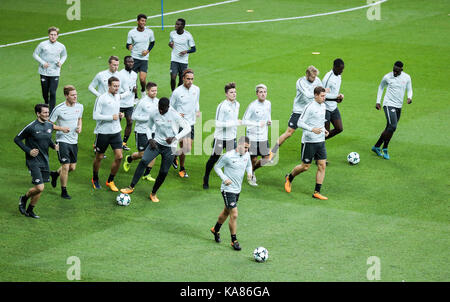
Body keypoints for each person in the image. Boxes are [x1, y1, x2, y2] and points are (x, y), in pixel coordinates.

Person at [120, 98, 190, 202]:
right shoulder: (154, 113)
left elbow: (187, 128)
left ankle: (153, 193)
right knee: (144, 160)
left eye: (163, 109)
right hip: (156, 143)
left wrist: (175, 138)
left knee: (164, 171)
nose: (161, 111)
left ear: (168, 107)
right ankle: (131, 187)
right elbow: (148, 127)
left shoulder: (174, 114)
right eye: (159, 108)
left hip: (170, 147)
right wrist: (150, 139)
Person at [14, 104, 64, 219]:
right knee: (40, 187)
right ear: (38, 113)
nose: (47, 114)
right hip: (33, 161)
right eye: (45, 112)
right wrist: (28, 151)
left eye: (48, 112)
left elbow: (47, 138)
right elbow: (17, 139)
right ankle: (24, 198)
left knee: (40, 189)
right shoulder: (31, 127)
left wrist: (53, 146)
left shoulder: (49, 126)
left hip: (44, 160)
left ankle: (30, 210)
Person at [268, 66, 326, 161]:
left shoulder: (317, 80)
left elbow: (323, 93)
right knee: (289, 133)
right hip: (298, 111)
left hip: (310, 111)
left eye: (315, 76)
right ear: (307, 75)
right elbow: (307, 94)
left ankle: (311, 156)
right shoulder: (300, 82)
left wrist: (334, 97)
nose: (314, 78)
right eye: (312, 77)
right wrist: (316, 95)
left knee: (310, 133)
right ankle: (272, 152)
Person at [284, 87, 329, 200]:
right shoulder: (309, 107)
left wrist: (324, 130)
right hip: (309, 141)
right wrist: (311, 129)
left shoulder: (323, 106)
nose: (324, 98)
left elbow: (320, 121)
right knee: (305, 167)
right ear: (316, 95)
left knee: (322, 165)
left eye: (324, 96)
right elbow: (299, 122)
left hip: (320, 141)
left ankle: (316, 192)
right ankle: (289, 178)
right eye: (322, 96)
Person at [210, 136, 253, 251]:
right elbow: (217, 167)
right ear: (238, 145)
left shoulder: (246, 155)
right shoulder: (228, 156)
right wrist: (224, 178)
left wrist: (249, 173)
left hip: (237, 189)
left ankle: (215, 229)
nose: (246, 150)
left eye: (248, 148)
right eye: (245, 147)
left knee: (226, 211)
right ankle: (234, 240)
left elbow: (249, 165)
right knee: (234, 214)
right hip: (227, 190)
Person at [203, 82, 241, 189]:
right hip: (220, 138)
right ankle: (206, 177)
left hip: (231, 138)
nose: (234, 94)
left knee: (232, 159)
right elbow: (218, 123)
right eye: (231, 92)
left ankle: (229, 181)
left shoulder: (237, 104)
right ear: (226, 94)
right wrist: (234, 123)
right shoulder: (222, 106)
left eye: (235, 92)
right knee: (214, 158)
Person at [371, 61, 413, 160]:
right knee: (393, 126)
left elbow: (409, 89)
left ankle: (376, 146)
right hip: (388, 104)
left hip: (399, 106)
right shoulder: (387, 77)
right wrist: (378, 102)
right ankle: (384, 148)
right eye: (393, 70)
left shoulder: (407, 77)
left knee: (390, 128)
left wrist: (409, 97)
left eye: (397, 71)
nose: (394, 73)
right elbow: (381, 87)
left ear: (401, 70)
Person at [49, 85, 83, 199]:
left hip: (74, 140)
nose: (75, 97)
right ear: (66, 96)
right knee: (66, 166)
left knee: (72, 167)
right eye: (73, 95)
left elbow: (79, 118)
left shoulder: (80, 106)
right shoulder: (59, 109)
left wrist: (79, 127)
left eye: (76, 94)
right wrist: (61, 128)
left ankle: (54, 174)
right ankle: (64, 191)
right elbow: (48, 125)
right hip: (62, 140)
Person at [92, 77, 124, 191]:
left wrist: (119, 114)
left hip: (116, 132)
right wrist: (111, 117)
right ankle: (95, 178)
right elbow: (95, 116)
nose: (117, 88)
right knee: (99, 157)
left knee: (119, 156)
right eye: (114, 86)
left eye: (118, 86)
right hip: (103, 133)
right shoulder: (101, 98)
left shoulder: (117, 97)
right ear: (109, 86)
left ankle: (110, 180)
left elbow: (113, 111)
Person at [123, 82, 159, 181]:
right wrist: (147, 118)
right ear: (147, 91)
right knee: (143, 154)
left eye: (156, 90)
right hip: (141, 131)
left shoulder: (157, 101)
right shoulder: (142, 102)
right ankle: (129, 158)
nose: (154, 92)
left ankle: (147, 174)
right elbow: (133, 116)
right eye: (152, 91)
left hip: (154, 131)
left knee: (154, 151)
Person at [170, 69, 200, 178]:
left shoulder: (196, 89)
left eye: (192, 79)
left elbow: (196, 101)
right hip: (180, 124)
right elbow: (170, 107)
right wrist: (177, 114)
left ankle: (174, 156)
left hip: (191, 123)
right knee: (183, 146)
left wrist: (197, 110)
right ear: (183, 78)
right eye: (188, 79)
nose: (190, 81)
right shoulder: (177, 92)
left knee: (187, 148)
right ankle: (182, 168)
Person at [242, 84, 272, 186]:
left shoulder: (268, 103)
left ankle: (251, 170)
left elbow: (268, 115)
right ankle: (251, 176)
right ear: (256, 94)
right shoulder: (252, 106)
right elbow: (244, 120)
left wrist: (269, 121)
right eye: (260, 92)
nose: (263, 94)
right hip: (253, 136)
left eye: (264, 92)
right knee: (253, 159)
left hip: (263, 136)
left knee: (266, 159)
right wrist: (257, 124)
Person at [33, 26, 67, 113]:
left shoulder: (61, 46)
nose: (53, 36)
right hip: (43, 71)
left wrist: (61, 62)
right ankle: (46, 103)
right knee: (45, 91)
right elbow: (35, 54)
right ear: (48, 35)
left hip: (55, 72)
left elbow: (64, 55)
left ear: (57, 36)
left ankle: (51, 111)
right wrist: (42, 62)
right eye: (51, 34)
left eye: (55, 35)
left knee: (52, 92)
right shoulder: (42, 44)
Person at [127, 14, 155, 97]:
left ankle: (143, 91)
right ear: (138, 21)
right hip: (134, 58)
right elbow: (127, 44)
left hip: (144, 58)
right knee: (133, 79)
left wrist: (148, 51)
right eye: (142, 21)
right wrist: (129, 46)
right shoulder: (131, 32)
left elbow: (152, 42)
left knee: (142, 79)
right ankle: (135, 96)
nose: (144, 23)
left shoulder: (150, 32)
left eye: (145, 21)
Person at [168, 18, 196, 91]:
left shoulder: (188, 35)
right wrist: (170, 44)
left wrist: (186, 51)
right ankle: (173, 92)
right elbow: (171, 42)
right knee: (173, 77)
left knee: (181, 79)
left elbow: (194, 49)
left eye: (178, 24)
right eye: (176, 24)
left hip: (183, 61)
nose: (175, 25)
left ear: (183, 26)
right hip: (174, 59)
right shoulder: (172, 33)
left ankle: (178, 92)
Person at [118, 56, 138, 151]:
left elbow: (134, 85)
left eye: (132, 62)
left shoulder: (134, 74)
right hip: (120, 103)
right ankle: (116, 142)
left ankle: (124, 142)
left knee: (130, 121)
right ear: (124, 63)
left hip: (130, 103)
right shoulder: (120, 74)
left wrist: (135, 91)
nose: (130, 63)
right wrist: (126, 90)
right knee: (116, 123)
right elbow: (117, 87)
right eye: (128, 62)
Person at [323, 59, 345, 142]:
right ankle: (316, 146)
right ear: (334, 67)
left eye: (342, 69)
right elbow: (322, 95)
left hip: (333, 107)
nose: (342, 71)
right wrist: (336, 98)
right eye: (340, 69)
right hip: (325, 108)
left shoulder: (339, 76)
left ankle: (319, 141)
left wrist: (338, 97)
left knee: (339, 128)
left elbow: (334, 92)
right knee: (326, 133)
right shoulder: (328, 78)